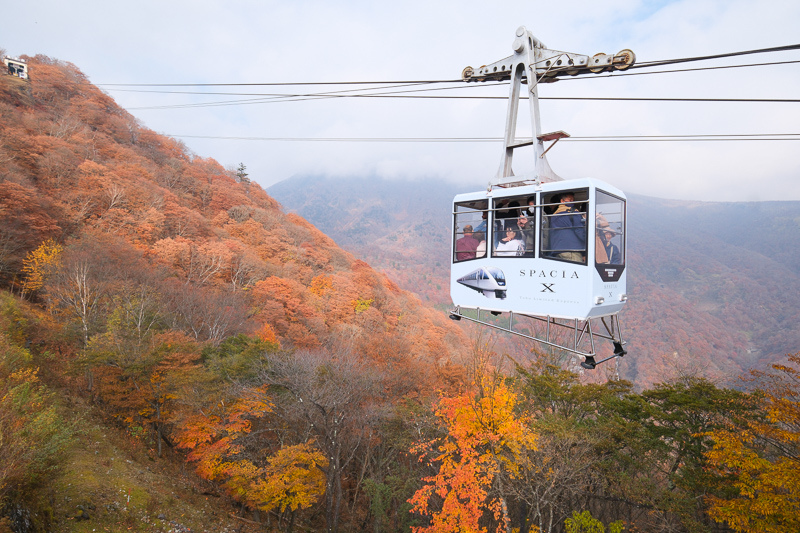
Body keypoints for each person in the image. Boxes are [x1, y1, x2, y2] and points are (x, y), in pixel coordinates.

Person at [549, 192, 586, 262]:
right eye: (570, 199)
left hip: (557, 250)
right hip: (571, 250)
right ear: (562, 201)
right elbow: (580, 231)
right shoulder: (573, 213)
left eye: (573, 199)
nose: (572, 201)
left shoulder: (554, 215)